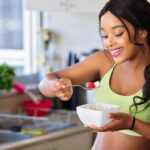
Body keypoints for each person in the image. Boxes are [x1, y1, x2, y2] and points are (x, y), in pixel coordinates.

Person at [39, 0, 150, 149]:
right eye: (104, 36)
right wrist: (55, 86)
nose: (109, 43)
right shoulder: (104, 60)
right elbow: (45, 82)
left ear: (142, 32)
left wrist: (132, 124)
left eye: (118, 33)